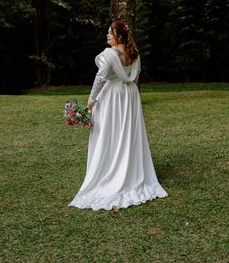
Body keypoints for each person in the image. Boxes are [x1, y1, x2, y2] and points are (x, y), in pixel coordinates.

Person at [69, 20, 167, 210]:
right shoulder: (134, 54)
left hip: (112, 97)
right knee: (127, 132)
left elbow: (100, 78)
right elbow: (135, 77)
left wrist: (91, 101)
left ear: (118, 36)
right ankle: (129, 170)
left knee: (110, 133)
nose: (107, 35)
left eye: (110, 33)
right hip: (130, 96)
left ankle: (110, 172)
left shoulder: (109, 55)